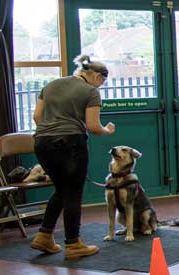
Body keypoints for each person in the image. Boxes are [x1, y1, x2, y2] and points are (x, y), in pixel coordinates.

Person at [30, 55, 115, 260]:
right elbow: (93, 127)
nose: (101, 86)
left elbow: (36, 117)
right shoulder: (90, 92)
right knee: (73, 194)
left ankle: (44, 236)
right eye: (102, 82)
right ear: (96, 76)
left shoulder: (51, 85)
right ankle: (73, 244)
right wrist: (108, 130)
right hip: (71, 144)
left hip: (42, 143)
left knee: (61, 190)